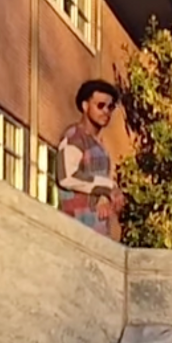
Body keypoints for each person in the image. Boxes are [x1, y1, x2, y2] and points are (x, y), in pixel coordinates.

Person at [57, 79, 125, 240]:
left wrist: (107, 197)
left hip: (98, 233)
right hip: (75, 230)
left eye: (111, 107)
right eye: (100, 105)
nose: (106, 111)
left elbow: (96, 184)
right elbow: (67, 176)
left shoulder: (100, 146)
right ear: (85, 106)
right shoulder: (74, 137)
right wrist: (107, 187)